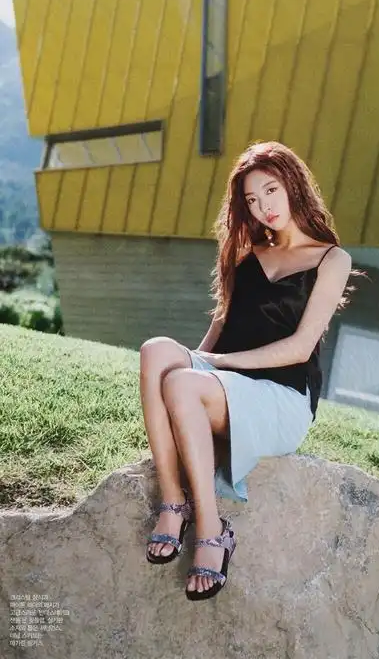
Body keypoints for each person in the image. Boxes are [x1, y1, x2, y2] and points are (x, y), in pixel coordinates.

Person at [141, 141, 353, 601]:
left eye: (271, 190)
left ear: (294, 184)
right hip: (221, 382)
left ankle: (212, 532)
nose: (264, 207)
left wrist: (215, 367)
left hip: (281, 398)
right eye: (252, 200)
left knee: (181, 381)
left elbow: (300, 348)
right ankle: (174, 503)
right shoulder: (247, 256)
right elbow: (220, 328)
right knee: (156, 351)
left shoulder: (331, 259)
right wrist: (189, 368)